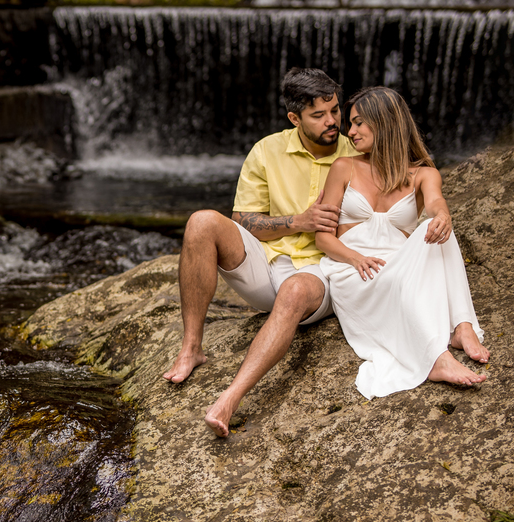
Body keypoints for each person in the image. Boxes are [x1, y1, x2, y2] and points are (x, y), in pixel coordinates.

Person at [162, 68, 358, 437]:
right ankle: (191, 348)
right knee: (202, 222)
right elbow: (243, 220)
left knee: (295, 290)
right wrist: (299, 221)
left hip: (323, 275)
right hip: (266, 266)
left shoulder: (359, 152)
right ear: (294, 118)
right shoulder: (267, 150)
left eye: (335, 110)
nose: (333, 122)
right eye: (319, 115)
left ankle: (230, 398)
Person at [314, 86, 487, 398]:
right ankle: (437, 359)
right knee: (404, 268)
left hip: (401, 264)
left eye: (358, 123)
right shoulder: (344, 167)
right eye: (350, 123)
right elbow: (323, 237)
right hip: (355, 270)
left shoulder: (423, 173)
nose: (350, 131)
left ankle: (462, 327)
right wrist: (355, 258)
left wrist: (442, 216)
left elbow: (435, 203)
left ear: (384, 122)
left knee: (434, 230)